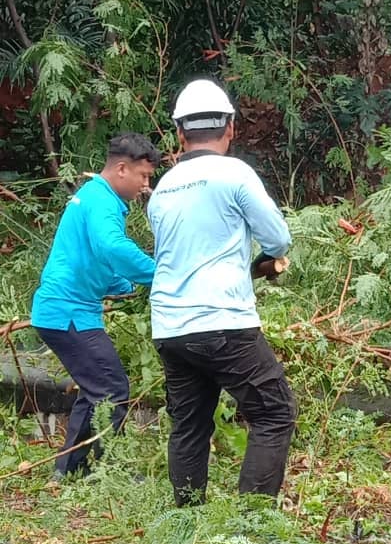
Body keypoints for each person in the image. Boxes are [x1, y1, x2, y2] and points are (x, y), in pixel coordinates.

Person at [147, 79, 296, 506]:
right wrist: (265, 259)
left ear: (179, 134)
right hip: (223, 323)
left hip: (171, 327)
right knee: (274, 412)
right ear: (230, 128)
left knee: (190, 425)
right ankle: (248, 526)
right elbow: (278, 239)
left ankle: (188, 520)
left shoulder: (163, 191)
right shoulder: (235, 173)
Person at [31, 134, 161, 479]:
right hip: (67, 311)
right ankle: (99, 469)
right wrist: (162, 274)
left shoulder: (93, 197)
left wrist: (125, 285)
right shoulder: (101, 200)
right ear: (121, 168)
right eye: (143, 176)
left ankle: (71, 470)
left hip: (68, 308)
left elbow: (94, 257)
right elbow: (111, 247)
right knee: (111, 388)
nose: (146, 185)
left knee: (99, 389)